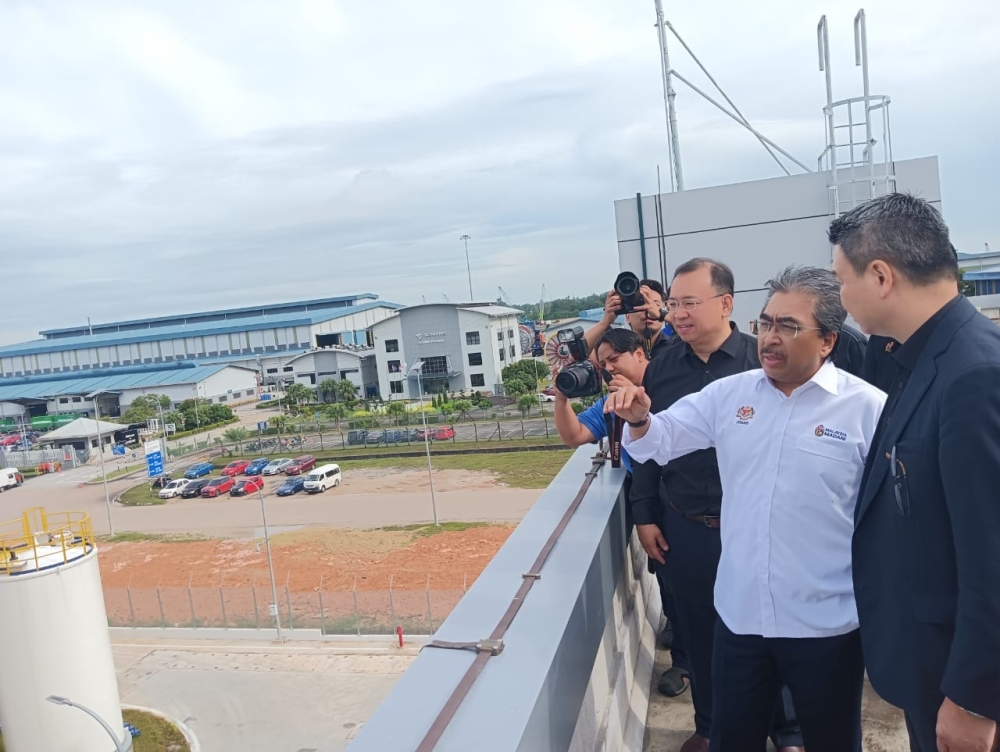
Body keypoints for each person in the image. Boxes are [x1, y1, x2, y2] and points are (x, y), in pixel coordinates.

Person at [607, 265, 886, 752]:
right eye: (766, 323)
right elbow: (662, 440)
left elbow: (886, 522)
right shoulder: (730, 397)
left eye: (788, 326)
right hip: (741, 620)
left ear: (828, 341)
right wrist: (640, 419)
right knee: (732, 739)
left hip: (825, 626)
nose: (770, 339)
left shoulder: (868, 411)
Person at [830, 193, 1000, 752]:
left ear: (880, 275)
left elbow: (992, 552)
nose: (841, 298)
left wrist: (976, 697)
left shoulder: (973, 373)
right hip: (929, 663)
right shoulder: (918, 357)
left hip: (958, 679)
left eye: (841, 280)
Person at [627, 257, 801, 752]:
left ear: (725, 303)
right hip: (688, 525)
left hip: (757, 527)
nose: (677, 314)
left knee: (773, 629)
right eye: (674, 304)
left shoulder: (762, 360)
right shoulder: (661, 368)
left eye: (689, 303)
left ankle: (787, 732)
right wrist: (645, 514)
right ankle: (710, 726)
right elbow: (650, 447)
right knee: (701, 632)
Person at [554, 327, 692, 696]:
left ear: (641, 356)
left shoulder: (673, 390)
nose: (609, 368)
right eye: (603, 364)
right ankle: (684, 662)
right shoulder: (612, 403)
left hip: (689, 501)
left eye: (615, 358)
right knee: (672, 587)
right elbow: (575, 436)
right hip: (651, 506)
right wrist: (562, 397)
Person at [585, 278, 673, 359]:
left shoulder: (676, 347)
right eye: (640, 305)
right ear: (627, 316)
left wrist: (663, 315)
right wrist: (605, 322)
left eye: (654, 305)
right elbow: (576, 356)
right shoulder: (616, 350)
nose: (647, 310)